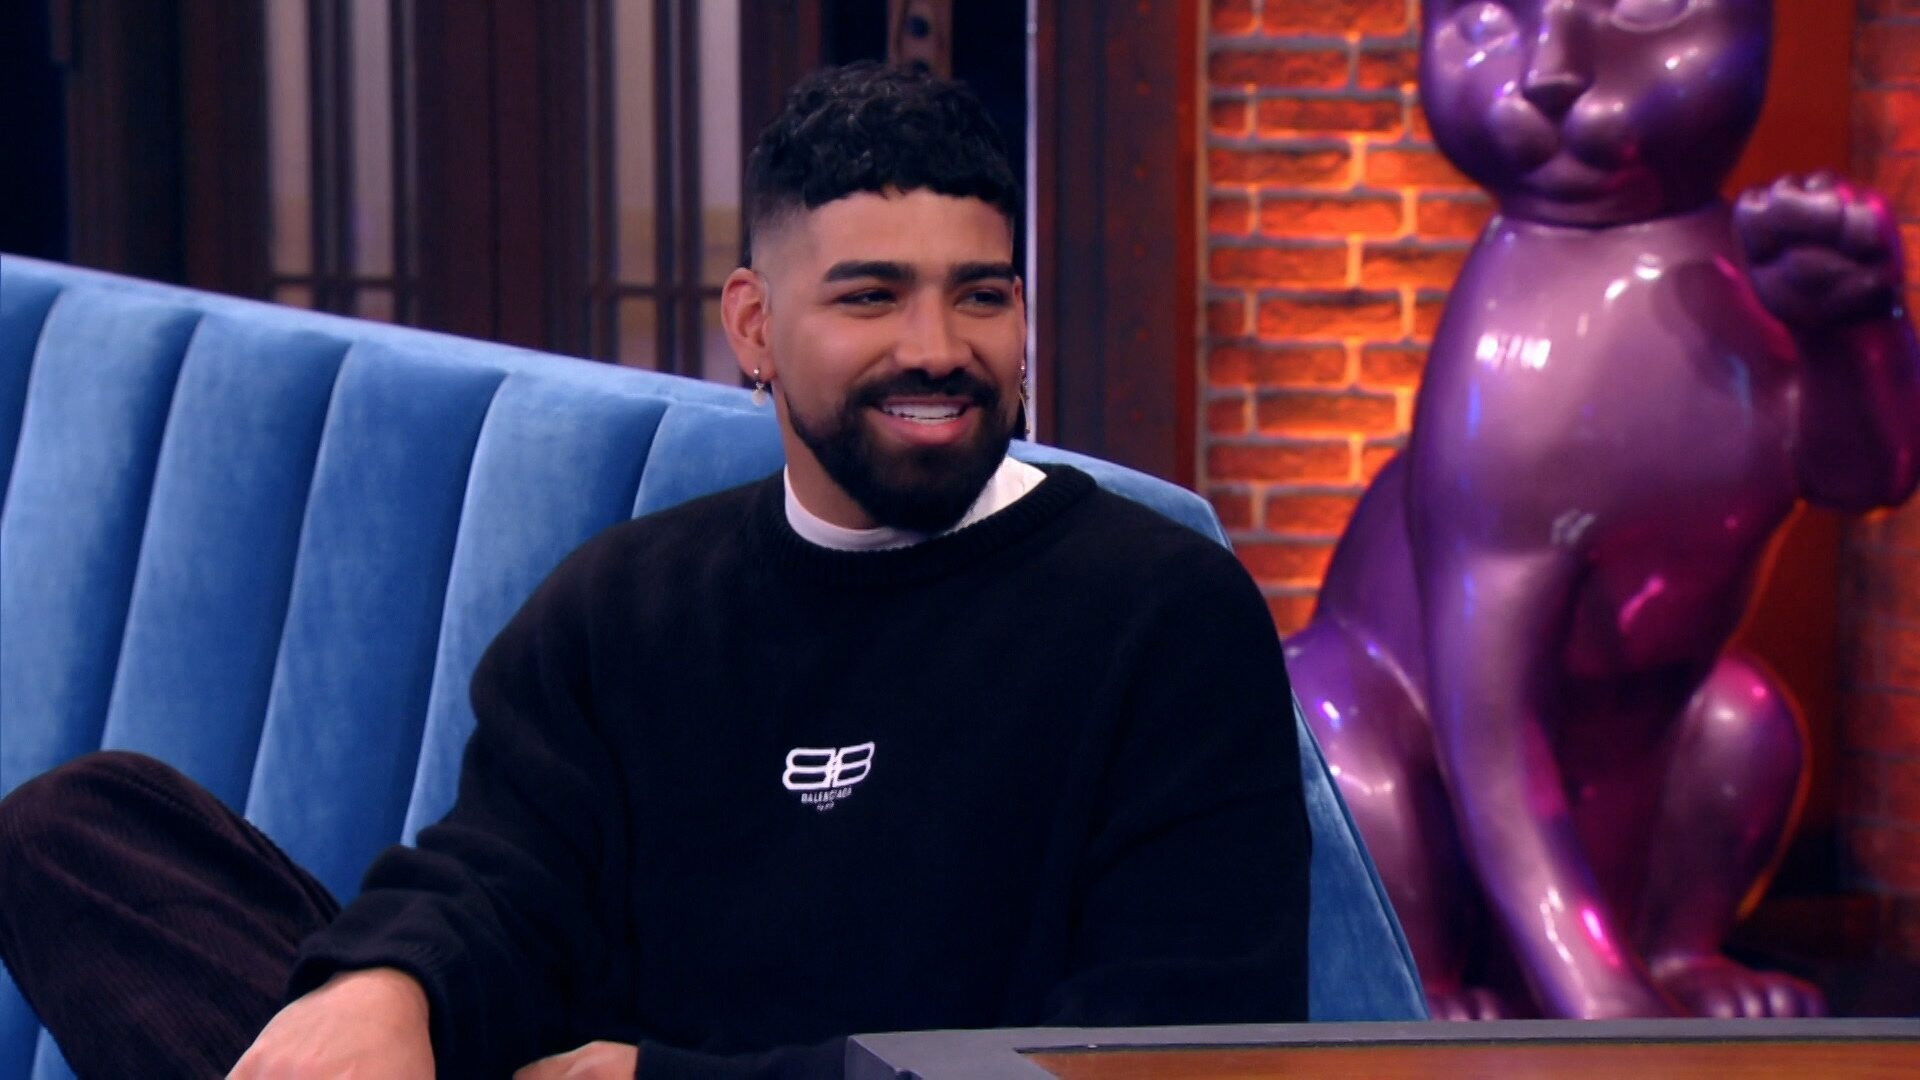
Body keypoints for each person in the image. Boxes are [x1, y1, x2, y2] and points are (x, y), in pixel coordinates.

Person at [0, 63, 1309, 1079]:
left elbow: (1169, 1056)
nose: (936, 346)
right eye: (870, 297)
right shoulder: (625, 605)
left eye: (981, 295)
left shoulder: (1160, 612)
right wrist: (388, 985)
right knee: (83, 832)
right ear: (755, 324)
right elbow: (502, 879)